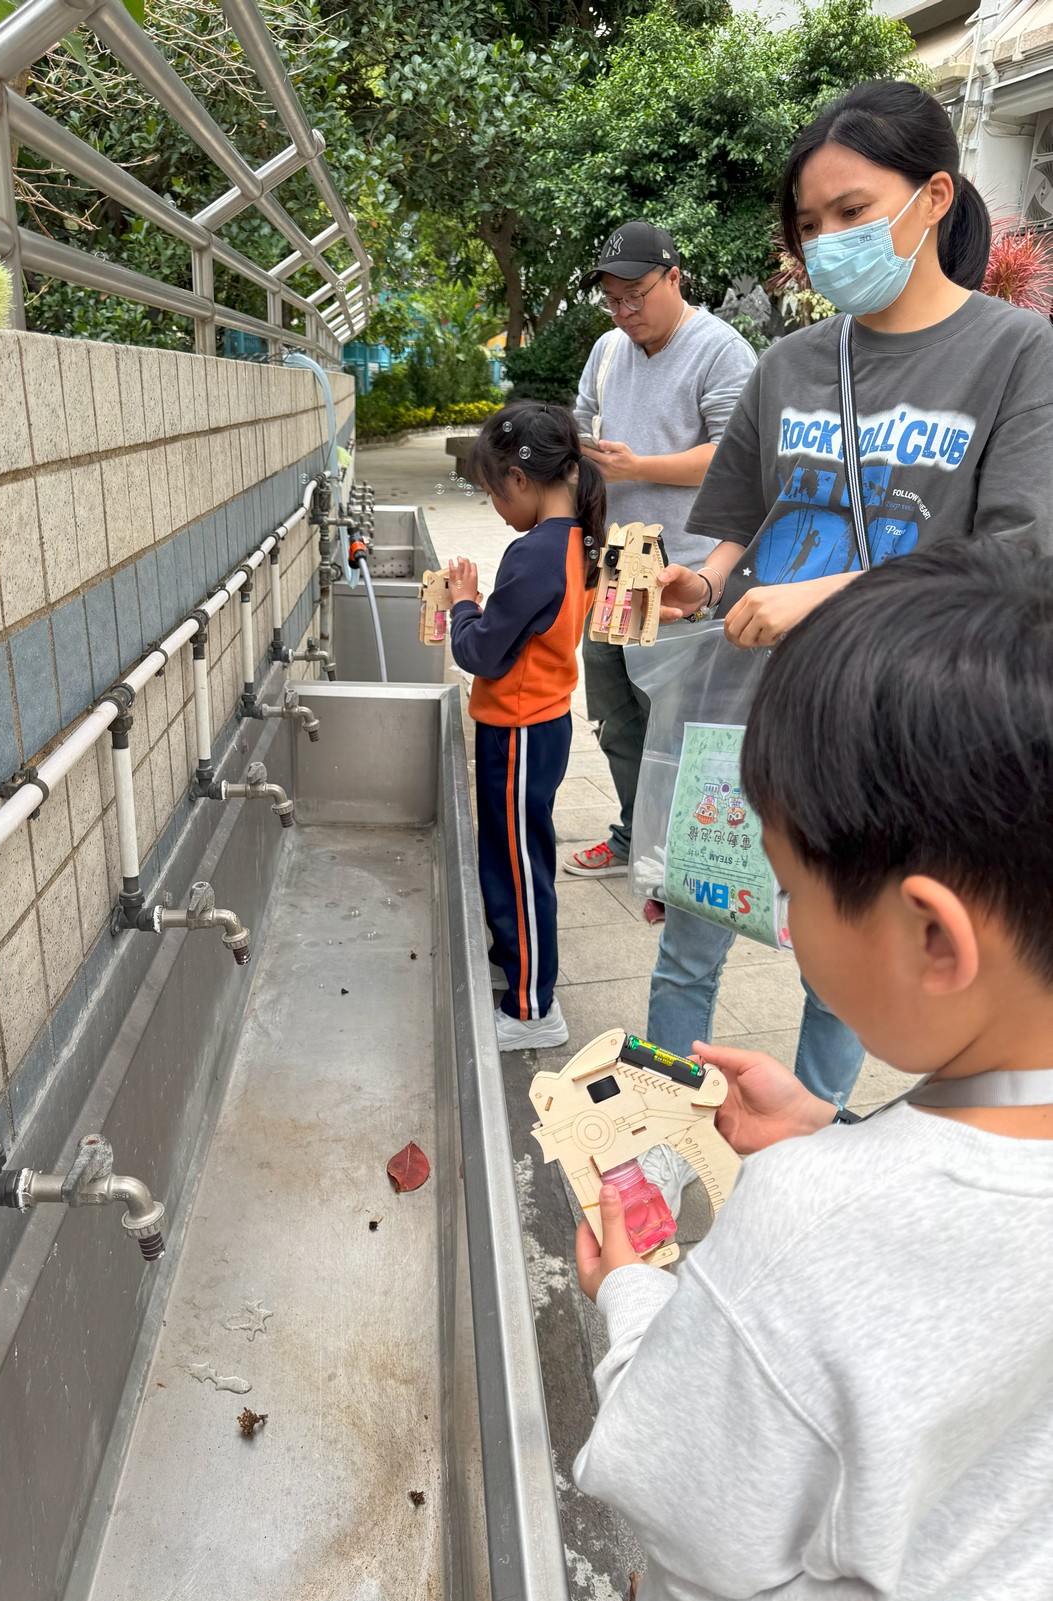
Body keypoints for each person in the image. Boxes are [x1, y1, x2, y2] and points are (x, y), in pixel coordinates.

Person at [575, 540, 1053, 1601]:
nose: (784, 927)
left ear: (931, 938)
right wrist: (843, 1135)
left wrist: (630, 1294)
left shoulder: (809, 1225)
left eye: (791, 892)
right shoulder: (870, 1181)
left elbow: (682, 1498)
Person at [647, 78, 1053, 1104]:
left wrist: (824, 596)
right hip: (748, 709)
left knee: (849, 972)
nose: (825, 243)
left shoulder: (1017, 356)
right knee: (691, 940)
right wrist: (700, 581)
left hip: (896, 725)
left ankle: (813, 1136)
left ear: (933, 198)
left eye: (850, 212)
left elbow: (1019, 557)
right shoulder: (788, 365)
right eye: (809, 223)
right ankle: (655, 1131)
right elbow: (740, 524)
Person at [563, 221, 756, 880]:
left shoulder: (720, 350)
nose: (623, 312)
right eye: (612, 300)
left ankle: (678, 857)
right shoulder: (607, 350)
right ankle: (633, 836)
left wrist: (638, 466)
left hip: (685, 570)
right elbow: (581, 425)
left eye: (636, 295)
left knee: (674, 724)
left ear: (674, 278)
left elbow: (736, 456)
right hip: (617, 561)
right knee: (616, 716)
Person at [447, 400, 606, 1050]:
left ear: (520, 477)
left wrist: (463, 605)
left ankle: (533, 1008)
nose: (494, 507)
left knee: (516, 866)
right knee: (510, 855)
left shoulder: (534, 553)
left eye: (493, 492)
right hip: (537, 722)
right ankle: (513, 964)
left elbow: (481, 652)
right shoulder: (574, 539)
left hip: (518, 728)